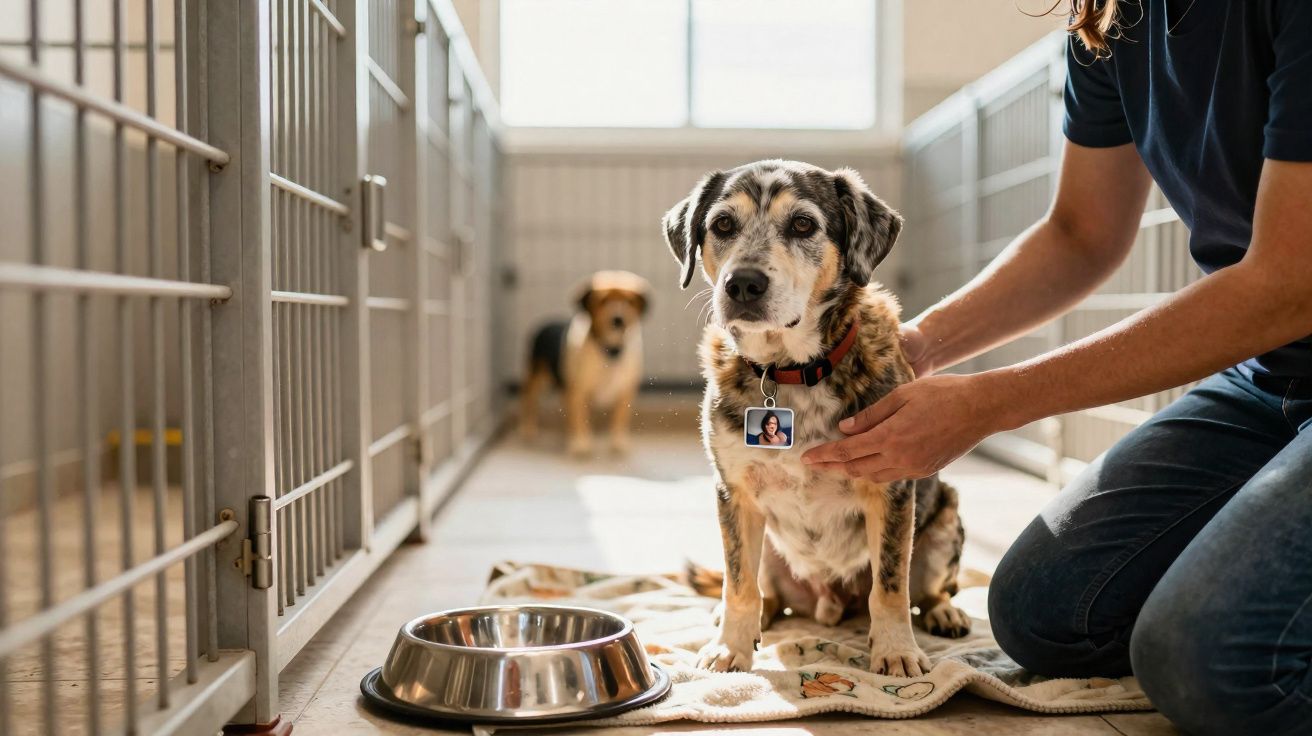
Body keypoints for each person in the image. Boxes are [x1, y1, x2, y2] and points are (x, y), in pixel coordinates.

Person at [802, 2, 1312, 733]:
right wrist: (911, 347)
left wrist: (991, 402)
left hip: (1287, 318)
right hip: (1272, 378)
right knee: (1043, 612)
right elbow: (1080, 233)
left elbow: (1289, 284)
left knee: (1213, 662)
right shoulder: (1113, 17)